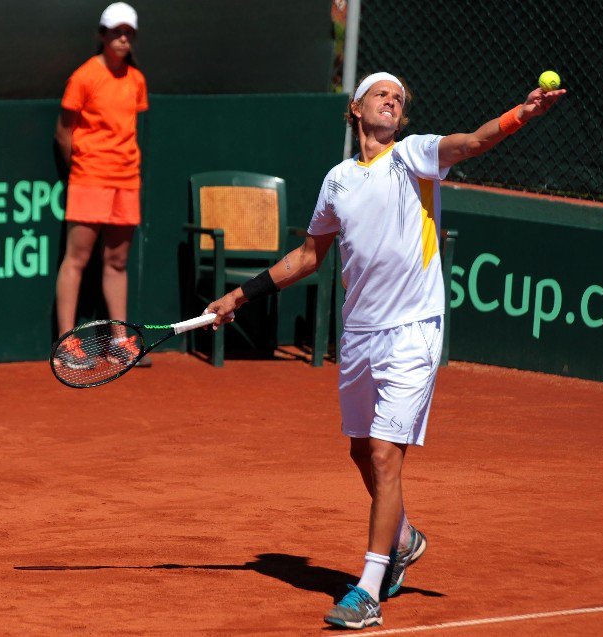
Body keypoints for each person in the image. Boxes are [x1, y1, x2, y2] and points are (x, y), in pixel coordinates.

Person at [205, 72, 565, 630]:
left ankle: (368, 590)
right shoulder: (338, 181)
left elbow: (471, 143)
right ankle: (403, 536)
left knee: (384, 456)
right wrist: (240, 294)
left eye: (399, 97)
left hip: (413, 331)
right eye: (382, 94)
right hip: (360, 334)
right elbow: (307, 256)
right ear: (356, 109)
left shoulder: (415, 157)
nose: (393, 101)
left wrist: (521, 113)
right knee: (359, 451)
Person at [53, 2, 150, 370]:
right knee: (76, 259)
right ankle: (66, 343)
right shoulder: (83, 77)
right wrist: (81, 168)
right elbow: (64, 133)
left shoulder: (136, 80)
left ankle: (118, 341)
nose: (122, 39)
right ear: (102, 35)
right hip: (90, 177)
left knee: (118, 261)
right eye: (115, 32)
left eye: (128, 33)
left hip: (126, 179)